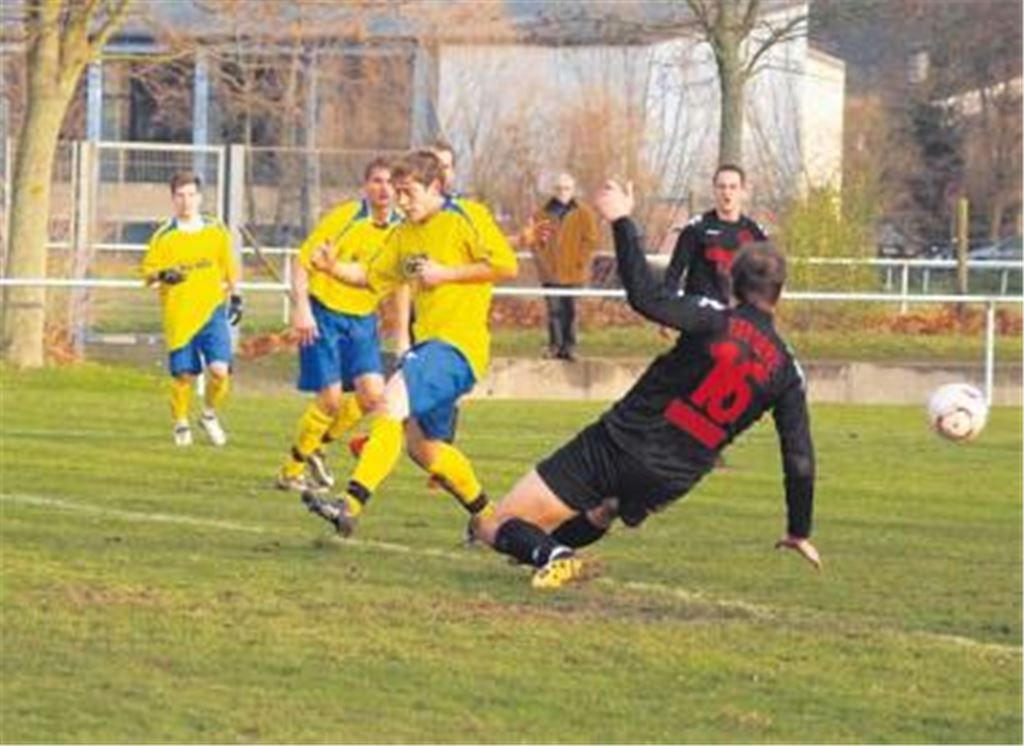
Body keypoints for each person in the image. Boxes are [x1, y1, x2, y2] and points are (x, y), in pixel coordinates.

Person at [470, 180, 820, 589]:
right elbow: (799, 458)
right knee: (604, 508)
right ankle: (552, 550)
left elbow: (645, 298)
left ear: (733, 283)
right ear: (779, 292)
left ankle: (553, 554)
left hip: (620, 441)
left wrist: (621, 221)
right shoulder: (786, 368)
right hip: (671, 477)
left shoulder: (714, 317)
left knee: (494, 525)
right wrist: (799, 530)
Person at [301, 150, 518, 535]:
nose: (400, 201)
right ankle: (487, 514)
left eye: (408, 192)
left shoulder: (466, 216)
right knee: (424, 449)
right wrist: (332, 268)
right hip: (429, 347)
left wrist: (446, 273)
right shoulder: (405, 234)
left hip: (458, 346)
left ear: (435, 186)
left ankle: (349, 505)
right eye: (397, 192)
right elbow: (372, 276)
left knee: (389, 402)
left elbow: (506, 265)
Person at [276, 157, 404, 491]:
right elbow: (302, 262)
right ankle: (290, 471)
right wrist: (301, 308)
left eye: (391, 182)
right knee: (331, 398)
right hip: (324, 314)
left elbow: (402, 282)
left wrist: (403, 333)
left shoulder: (402, 229)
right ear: (366, 185)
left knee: (372, 397)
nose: (384, 189)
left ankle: (316, 444)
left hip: (362, 320)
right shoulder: (345, 217)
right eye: (377, 180)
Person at [142, 170, 241, 447]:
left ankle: (208, 414)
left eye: (191, 195)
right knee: (184, 375)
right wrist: (162, 275)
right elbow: (147, 273)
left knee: (220, 371)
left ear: (200, 197)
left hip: (212, 313)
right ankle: (181, 421)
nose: (186, 201)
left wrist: (237, 296)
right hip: (180, 317)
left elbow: (229, 265)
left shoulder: (215, 229)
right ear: (173, 199)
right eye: (180, 196)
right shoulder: (164, 236)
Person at [663, 164, 768, 304]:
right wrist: (669, 312)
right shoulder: (696, 229)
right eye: (722, 187)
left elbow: (766, 279)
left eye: (733, 187)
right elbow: (674, 273)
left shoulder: (756, 233)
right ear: (714, 190)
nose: (727, 192)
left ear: (742, 191)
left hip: (739, 317)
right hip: (702, 316)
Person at [522, 172, 599, 361]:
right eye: (559, 188)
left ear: (573, 190)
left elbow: (591, 240)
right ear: (553, 190)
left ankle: (570, 347)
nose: (563, 192)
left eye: (567, 188)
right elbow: (534, 243)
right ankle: (555, 346)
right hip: (550, 273)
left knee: (571, 311)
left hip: (574, 273)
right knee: (554, 311)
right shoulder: (541, 214)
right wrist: (544, 265)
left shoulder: (584, 213)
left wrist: (580, 262)